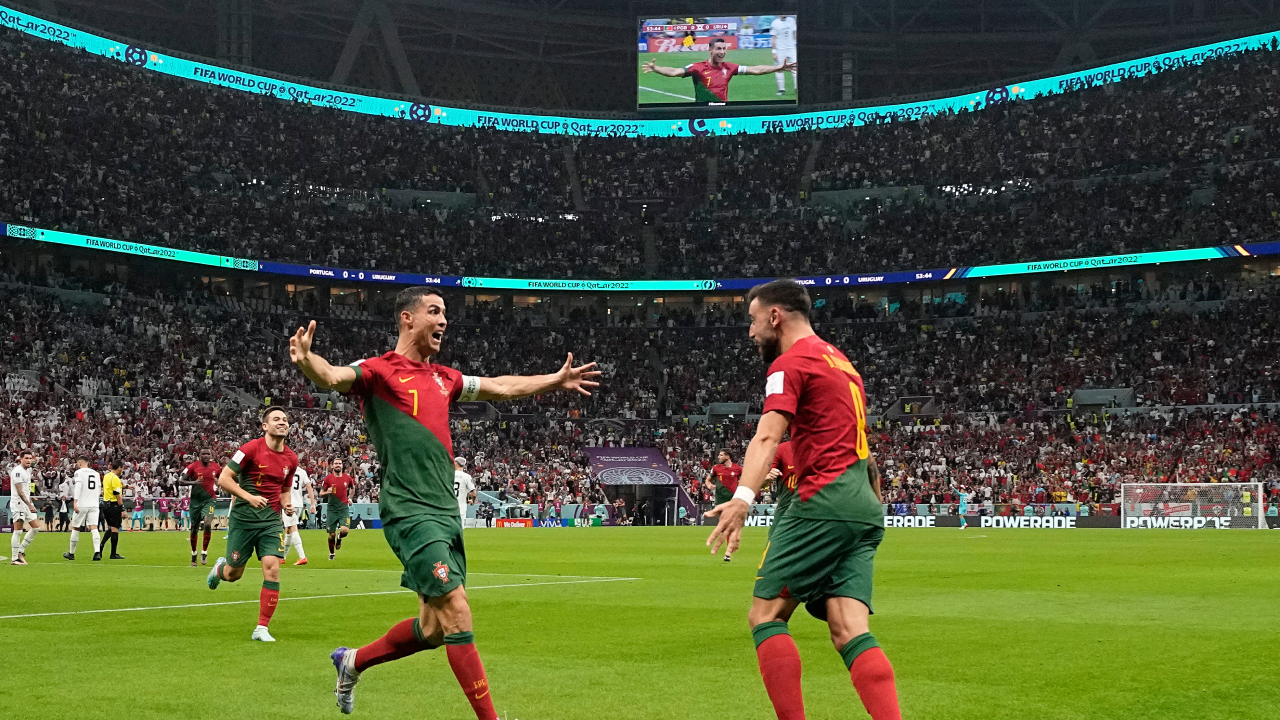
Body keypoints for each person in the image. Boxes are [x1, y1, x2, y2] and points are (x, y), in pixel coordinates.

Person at [289, 286, 599, 717]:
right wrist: (307, 361)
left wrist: (555, 380)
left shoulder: (445, 378)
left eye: (445, 314)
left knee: (434, 630)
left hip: (445, 514)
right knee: (457, 611)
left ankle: (352, 661)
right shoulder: (379, 371)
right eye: (434, 312)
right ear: (407, 319)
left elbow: (501, 387)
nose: (443, 321)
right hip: (410, 510)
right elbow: (334, 376)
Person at [705, 279, 901, 720]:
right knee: (849, 628)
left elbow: (768, 436)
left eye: (753, 320)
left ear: (775, 316)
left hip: (820, 502)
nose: (750, 332)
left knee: (765, 616)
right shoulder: (842, 361)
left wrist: (741, 498)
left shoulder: (790, 363)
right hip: (863, 504)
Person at [206, 406, 297, 643]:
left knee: (272, 569)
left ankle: (261, 628)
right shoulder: (249, 450)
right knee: (234, 574)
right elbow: (224, 478)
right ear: (265, 426)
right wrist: (249, 497)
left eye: (285, 420)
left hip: (271, 521)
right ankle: (220, 569)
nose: (282, 422)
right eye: (276, 419)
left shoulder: (291, 458)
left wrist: (287, 504)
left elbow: (285, 489)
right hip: (243, 521)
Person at [642, 36, 797, 103]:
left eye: (724, 48)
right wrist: (656, 68)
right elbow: (674, 72)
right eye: (718, 49)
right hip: (701, 112)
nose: (722, 52)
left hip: (723, 111)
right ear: (710, 50)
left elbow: (756, 69)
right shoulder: (697, 67)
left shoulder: (729, 67)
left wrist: (779, 67)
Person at [177, 448, 221, 566]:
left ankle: (204, 552)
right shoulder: (193, 467)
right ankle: (193, 553)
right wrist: (194, 482)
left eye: (208, 454)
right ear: (199, 455)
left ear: (211, 455)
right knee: (194, 529)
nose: (206, 456)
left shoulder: (216, 467)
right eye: (203, 454)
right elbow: (180, 481)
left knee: (207, 523)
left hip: (210, 500)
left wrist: (219, 485)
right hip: (195, 502)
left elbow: (223, 478)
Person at [704, 450, 743, 562]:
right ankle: (729, 550)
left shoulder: (738, 469)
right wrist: (709, 484)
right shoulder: (716, 468)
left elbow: (747, 479)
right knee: (725, 526)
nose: (718, 457)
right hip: (720, 501)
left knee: (729, 525)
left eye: (721, 455)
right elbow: (708, 479)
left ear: (727, 456)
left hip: (732, 501)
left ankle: (728, 553)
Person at [64, 456, 103, 561]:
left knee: (76, 527)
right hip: (94, 504)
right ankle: (97, 552)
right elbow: (99, 488)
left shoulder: (79, 472)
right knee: (94, 528)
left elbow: (78, 486)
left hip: (82, 504)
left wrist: (75, 501)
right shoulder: (96, 474)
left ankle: (71, 553)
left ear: (80, 463)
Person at [319, 459, 356, 560]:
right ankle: (332, 553)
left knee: (345, 530)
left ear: (342, 466)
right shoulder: (328, 479)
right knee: (331, 535)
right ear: (332, 466)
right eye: (336, 464)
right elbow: (320, 494)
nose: (338, 465)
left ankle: (339, 538)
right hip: (331, 509)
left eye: (339, 463)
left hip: (343, 508)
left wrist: (350, 498)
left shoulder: (347, 478)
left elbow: (352, 488)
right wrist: (328, 492)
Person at [9, 451, 41, 565]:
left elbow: (26, 490)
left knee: (36, 528)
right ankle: (14, 558)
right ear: (20, 459)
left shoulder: (28, 470)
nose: (29, 460)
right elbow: (19, 491)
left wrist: (30, 502)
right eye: (26, 458)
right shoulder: (17, 471)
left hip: (27, 503)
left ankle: (20, 550)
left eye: (30, 458)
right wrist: (29, 505)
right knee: (18, 530)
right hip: (18, 504)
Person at [284, 462, 317, 566]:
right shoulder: (302, 472)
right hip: (298, 503)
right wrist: (312, 503)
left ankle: (302, 557)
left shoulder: (284, 470)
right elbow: (309, 486)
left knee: (293, 528)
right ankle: (282, 557)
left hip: (288, 503)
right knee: (288, 530)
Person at [100, 461, 125, 559]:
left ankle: (100, 547)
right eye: (121, 468)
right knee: (115, 528)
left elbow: (110, 488)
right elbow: (117, 494)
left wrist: (126, 487)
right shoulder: (116, 479)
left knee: (111, 527)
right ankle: (113, 553)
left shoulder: (107, 476)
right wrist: (122, 509)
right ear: (119, 468)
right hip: (113, 505)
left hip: (106, 504)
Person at [769, 15, 797, 95]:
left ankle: (796, 88)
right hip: (780, 50)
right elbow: (773, 38)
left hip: (791, 48)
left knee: (795, 68)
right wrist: (774, 52)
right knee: (779, 69)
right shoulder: (775, 23)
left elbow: (794, 34)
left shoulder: (792, 20)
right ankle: (781, 89)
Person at [454, 457, 475, 527]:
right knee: (459, 530)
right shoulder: (466, 476)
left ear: (456, 463)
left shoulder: (448, 475)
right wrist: (470, 500)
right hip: (461, 508)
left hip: (448, 507)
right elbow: (472, 491)